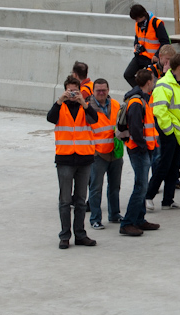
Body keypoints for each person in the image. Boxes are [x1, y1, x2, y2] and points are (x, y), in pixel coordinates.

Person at [47, 76, 99, 249]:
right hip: (65, 159)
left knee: (81, 200)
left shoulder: (85, 106)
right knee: (64, 200)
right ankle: (64, 236)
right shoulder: (60, 107)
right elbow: (50, 118)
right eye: (69, 91)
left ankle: (80, 234)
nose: (72, 94)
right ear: (64, 90)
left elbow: (95, 119)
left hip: (84, 158)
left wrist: (83, 102)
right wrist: (59, 100)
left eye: (75, 91)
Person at [146, 53, 180, 212]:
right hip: (171, 132)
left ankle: (168, 200)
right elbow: (159, 111)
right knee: (163, 166)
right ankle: (148, 196)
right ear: (179, 67)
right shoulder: (163, 84)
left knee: (174, 167)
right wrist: (169, 131)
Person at [119, 70, 159, 237]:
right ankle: (128, 223)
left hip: (144, 148)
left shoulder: (141, 99)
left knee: (142, 185)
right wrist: (143, 146)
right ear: (148, 82)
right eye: (153, 80)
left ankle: (139, 218)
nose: (155, 82)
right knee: (141, 186)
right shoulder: (137, 102)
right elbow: (135, 129)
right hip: (139, 149)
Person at [86, 79, 123, 230]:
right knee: (96, 188)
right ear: (93, 92)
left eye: (104, 90)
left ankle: (114, 214)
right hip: (98, 154)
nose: (101, 93)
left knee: (115, 186)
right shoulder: (88, 108)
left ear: (108, 90)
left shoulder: (115, 104)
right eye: (98, 90)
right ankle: (95, 219)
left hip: (115, 152)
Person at [124, 4, 170, 87]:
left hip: (152, 59)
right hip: (140, 56)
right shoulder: (138, 24)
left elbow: (165, 42)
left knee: (149, 79)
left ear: (143, 15)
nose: (136, 21)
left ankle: (148, 93)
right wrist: (136, 45)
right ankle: (141, 91)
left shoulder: (156, 23)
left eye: (137, 19)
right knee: (127, 74)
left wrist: (157, 55)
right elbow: (137, 37)